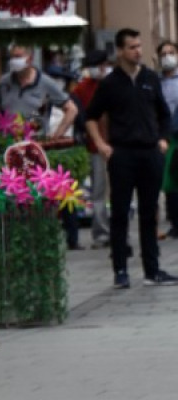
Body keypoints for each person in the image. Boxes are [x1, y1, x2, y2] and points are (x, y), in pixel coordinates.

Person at [86, 28, 177, 289]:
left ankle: (153, 269)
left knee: (150, 213)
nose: (138, 50)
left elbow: (163, 113)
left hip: (150, 152)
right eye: (132, 47)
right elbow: (91, 116)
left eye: (139, 46)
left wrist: (162, 139)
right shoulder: (110, 83)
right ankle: (121, 271)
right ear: (120, 51)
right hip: (122, 153)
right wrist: (102, 145)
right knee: (120, 212)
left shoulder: (150, 78)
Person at [0, 43, 78, 139]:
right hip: (8, 142)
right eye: (12, 57)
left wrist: (56, 136)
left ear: (30, 58)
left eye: (18, 57)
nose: (13, 61)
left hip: (36, 144)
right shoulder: (4, 82)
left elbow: (72, 109)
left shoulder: (45, 83)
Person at [72, 49, 113, 248]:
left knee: (116, 191)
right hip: (95, 147)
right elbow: (81, 118)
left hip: (116, 143)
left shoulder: (113, 84)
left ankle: (115, 230)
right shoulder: (81, 89)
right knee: (98, 192)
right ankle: (101, 233)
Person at [157, 41, 178, 237]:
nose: (168, 57)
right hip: (163, 138)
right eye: (164, 54)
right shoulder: (156, 83)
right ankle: (174, 221)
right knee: (168, 183)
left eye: (171, 53)